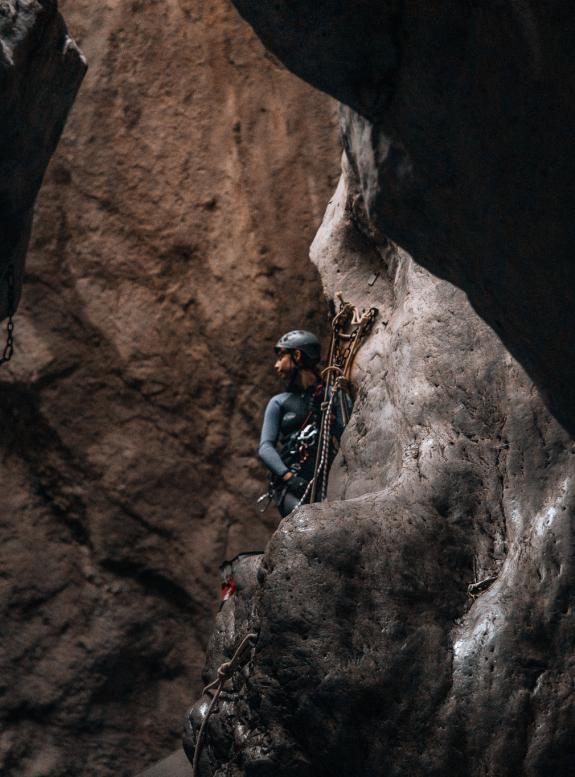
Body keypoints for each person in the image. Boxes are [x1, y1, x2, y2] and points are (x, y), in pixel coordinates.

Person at [257, 329, 340, 517]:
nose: (276, 365)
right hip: (291, 485)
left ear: (297, 355)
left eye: (281, 357)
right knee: (305, 520)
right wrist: (289, 478)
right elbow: (265, 447)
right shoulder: (279, 402)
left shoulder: (331, 396)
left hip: (327, 482)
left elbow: (345, 435)